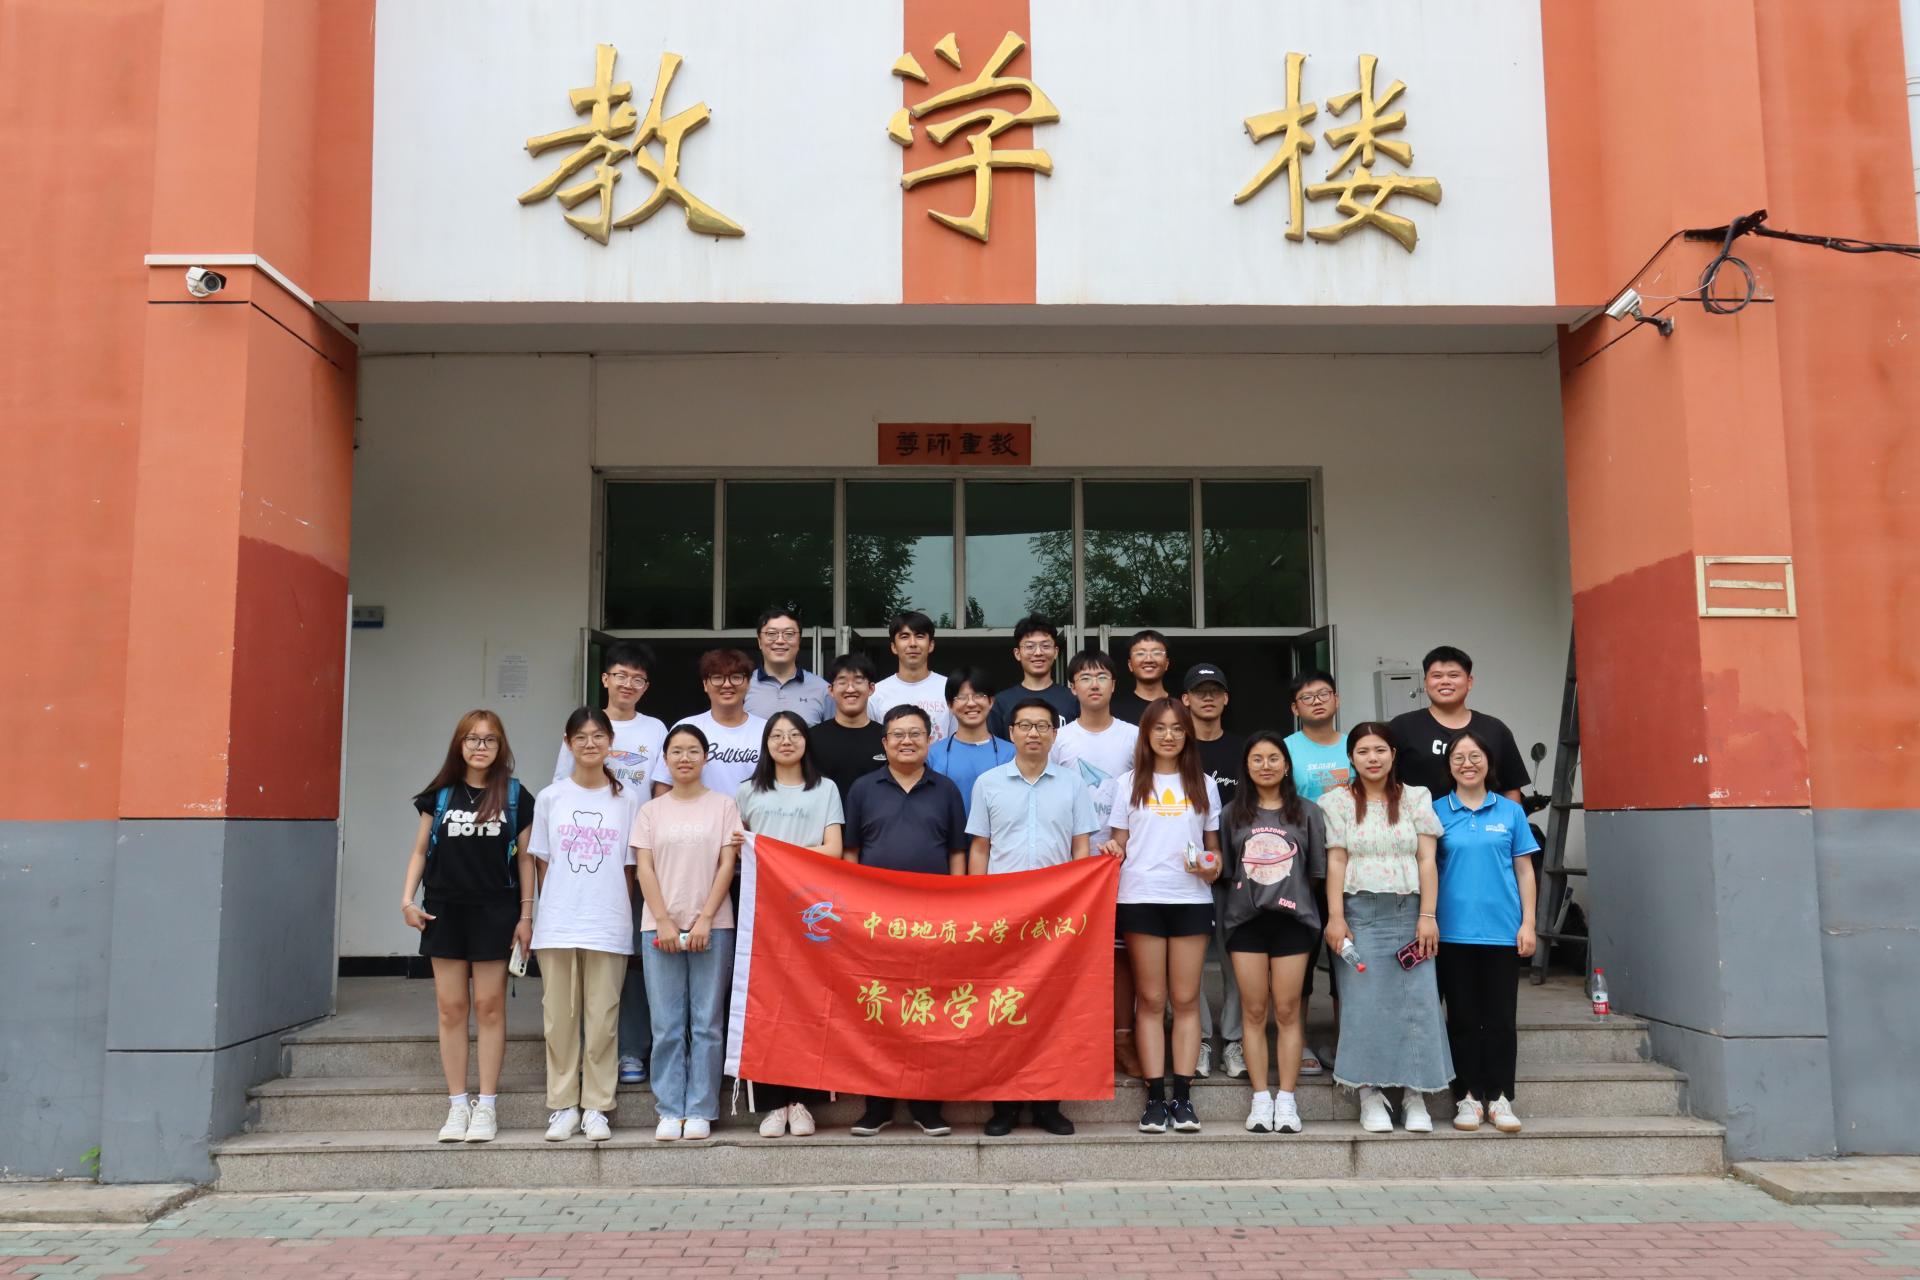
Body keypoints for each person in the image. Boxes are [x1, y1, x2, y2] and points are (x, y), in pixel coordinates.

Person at [965, 695, 1100, 1137]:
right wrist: (977, 907)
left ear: (1054, 733)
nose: (1034, 733)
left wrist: (1080, 906)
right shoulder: (987, 783)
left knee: (1050, 1011)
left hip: (1056, 917)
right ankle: (1003, 1105)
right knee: (1001, 1009)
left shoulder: (1072, 785)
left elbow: (1082, 848)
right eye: (1025, 725)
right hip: (1002, 915)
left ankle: (1047, 1103)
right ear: (1011, 733)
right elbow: (980, 848)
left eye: (1043, 726)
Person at [400, 710, 534, 1144]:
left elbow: (526, 859)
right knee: (451, 1008)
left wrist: (526, 916)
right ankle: (458, 1104)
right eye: (472, 739)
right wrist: (407, 900)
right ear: (459, 745)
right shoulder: (439, 795)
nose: (480, 747)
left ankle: (487, 1105)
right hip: (444, 911)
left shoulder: (515, 795)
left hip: (496, 912)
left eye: (489, 740)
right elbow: (420, 852)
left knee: (490, 1006)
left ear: (501, 747)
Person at [1318, 722, 1452, 1134]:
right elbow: (1336, 861)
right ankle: (1369, 1094)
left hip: (1410, 912)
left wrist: (1428, 915)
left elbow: (1426, 859)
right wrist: (1336, 917)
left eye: (1379, 750)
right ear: (1351, 758)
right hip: (1360, 913)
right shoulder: (1335, 802)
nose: (1372, 758)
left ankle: (1415, 1095)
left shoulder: (1416, 797)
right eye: (1363, 751)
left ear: (1393, 754)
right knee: (1363, 1005)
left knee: (1418, 1004)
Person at [842, 705, 968, 1137]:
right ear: (884, 742)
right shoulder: (863, 789)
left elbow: (957, 854)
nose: (906, 741)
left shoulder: (946, 789)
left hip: (933, 921)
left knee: (928, 1012)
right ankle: (876, 1105)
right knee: (878, 1012)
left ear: (930, 739)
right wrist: (855, 911)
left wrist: (956, 909)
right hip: (876, 921)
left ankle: (926, 1105)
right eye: (898, 734)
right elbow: (851, 854)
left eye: (915, 733)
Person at [1098, 698, 1222, 1135]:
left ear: (1188, 734)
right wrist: (1111, 849)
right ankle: (1154, 1099)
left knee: (1185, 1000)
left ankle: (1182, 1098)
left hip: (1191, 899)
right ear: (1146, 735)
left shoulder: (1204, 784)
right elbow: (1119, 842)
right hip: (1140, 898)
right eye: (1159, 728)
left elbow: (1214, 852)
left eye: (1177, 728)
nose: (1168, 736)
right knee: (1149, 1000)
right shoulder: (1127, 783)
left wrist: (1210, 865)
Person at [551, 641, 667, 1090]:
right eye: (620, 675)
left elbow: (661, 793)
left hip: (640, 861)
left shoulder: (655, 729)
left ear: (647, 686)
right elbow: (561, 796)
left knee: (630, 957)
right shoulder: (584, 726)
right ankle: (585, 1052)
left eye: (638, 678)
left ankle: (632, 1048)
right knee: (584, 957)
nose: (628, 684)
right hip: (588, 860)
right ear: (605, 679)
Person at [528, 707, 642, 1144]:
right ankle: (562, 1105)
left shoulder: (626, 800)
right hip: (558, 923)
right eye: (581, 737)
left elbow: (629, 868)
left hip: (607, 921)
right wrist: (552, 909)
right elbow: (542, 863)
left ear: (610, 742)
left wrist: (616, 910)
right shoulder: (550, 797)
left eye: (598, 736)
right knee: (558, 1019)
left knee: (603, 1020)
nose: (590, 743)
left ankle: (597, 1105)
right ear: (568, 742)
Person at [734, 712, 845, 1138]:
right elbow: (738, 848)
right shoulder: (748, 791)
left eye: (794, 734)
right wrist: (770, 852)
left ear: (806, 742)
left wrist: (778, 853)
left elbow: (834, 849)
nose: (786, 741)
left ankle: (803, 1102)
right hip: (762, 910)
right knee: (765, 1003)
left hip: (813, 911)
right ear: (765, 743)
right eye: (777, 735)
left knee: (810, 1001)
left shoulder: (826, 788)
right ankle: (772, 1104)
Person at [631, 723, 741, 1142]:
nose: (685, 758)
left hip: (714, 925)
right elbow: (644, 868)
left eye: (693, 750)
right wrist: (662, 919)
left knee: (707, 1022)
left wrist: (705, 918)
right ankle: (669, 1108)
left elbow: (727, 865)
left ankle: (700, 1108)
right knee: (667, 1023)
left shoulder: (724, 806)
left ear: (705, 757)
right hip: (658, 927)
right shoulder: (650, 811)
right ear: (665, 759)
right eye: (676, 751)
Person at [1435, 727, 1539, 1134]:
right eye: (1459, 757)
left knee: (1500, 1019)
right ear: (1449, 766)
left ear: (1488, 763)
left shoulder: (1510, 812)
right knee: (1461, 1018)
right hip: (1451, 934)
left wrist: (1528, 923)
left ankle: (1500, 1098)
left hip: (1502, 932)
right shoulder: (1436, 812)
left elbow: (1524, 870)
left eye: (1475, 756)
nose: (1468, 764)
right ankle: (1467, 1097)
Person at [1220, 733, 1326, 1135]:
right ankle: (1260, 1099)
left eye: (1273, 758)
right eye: (1257, 759)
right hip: (1246, 922)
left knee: (1286, 1011)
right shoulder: (1232, 814)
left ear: (1286, 765)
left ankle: (1287, 1099)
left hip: (1293, 924)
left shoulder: (1308, 813)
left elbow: (1315, 873)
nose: (1265, 765)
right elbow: (1227, 870)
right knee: (1253, 1011)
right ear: (1246, 767)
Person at [1049, 649, 1143, 1076]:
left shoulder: (1133, 736)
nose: (1093, 684)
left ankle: (1123, 1038)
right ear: (1072, 688)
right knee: (1072, 955)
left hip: (1124, 862)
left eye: (1101, 676)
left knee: (1121, 956)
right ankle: (1074, 1037)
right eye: (1084, 678)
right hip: (1072, 866)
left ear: (1114, 685)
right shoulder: (1060, 739)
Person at [1282, 668, 1347, 1079]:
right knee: (1299, 958)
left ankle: (1347, 1042)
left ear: (1337, 699)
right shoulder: (1286, 749)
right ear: (1295, 708)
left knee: (1346, 958)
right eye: (1308, 697)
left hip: (1351, 868)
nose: (1317, 701)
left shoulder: (1356, 745)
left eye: (1324, 694)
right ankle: (1300, 1042)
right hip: (1302, 869)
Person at [1183, 662, 1245, 1080]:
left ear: (1225, 698)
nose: (1207, 697)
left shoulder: (1243, 749)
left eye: (1215, 691)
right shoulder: (1175, 748)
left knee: (1235, 960)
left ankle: (1234, 1039)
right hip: (1184, 875)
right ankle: (1201, 1037)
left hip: (1237, 872)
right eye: (1199, 691)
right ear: (1185, 699)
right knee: (1186, 965)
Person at [1388, 646, 1530, 803]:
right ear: (1426, 683)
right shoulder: (1402, 727)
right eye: (1437, 676)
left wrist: (1514, 819)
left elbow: (1511, 789)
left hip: (1484, 818)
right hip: (1418, 819)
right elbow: (1383, 783)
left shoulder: (1495, 729)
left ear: (1469, 682)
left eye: (1453, 675)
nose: (1445, 681)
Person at [653, 647, 765, 798]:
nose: (727, 684)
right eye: (718, 677)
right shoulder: (686, 729)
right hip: (695, 813)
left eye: (736, 677)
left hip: (754, 814)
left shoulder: (767, 730)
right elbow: (664, 785)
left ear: (748, 683)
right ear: (705, 684)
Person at [928, 667, 1014, 820]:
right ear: (950, 705)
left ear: (991, 701)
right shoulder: (933, 754)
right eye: (961, 697)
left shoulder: (1011, 753)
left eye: (979, 696)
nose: (971, 703)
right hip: (947, 834)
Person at [809, 652, 887, 804]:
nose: (850, 689)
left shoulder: (887, 738)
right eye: (842, 682)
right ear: (831, 690)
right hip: (825, 818)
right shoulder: (812, 738)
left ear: (871, 688)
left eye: (858, 681)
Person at [867, 610, 955, 742]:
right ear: (893, 647)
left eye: (919, 636)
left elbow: (956, 741)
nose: (912, 643)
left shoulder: (950, 688)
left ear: (931, 645)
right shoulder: (875, 694)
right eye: (904, 637)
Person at [987, 614, 1078, 739]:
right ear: (1017, 653)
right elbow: (995, 747)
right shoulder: (1001, 703)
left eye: (1045, 646)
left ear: (1056, 652)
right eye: (1030, 646)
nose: (1038, 653)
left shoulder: (1073, 700)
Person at [744, 606, 832, 725]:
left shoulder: (822, 689)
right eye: (771, 633)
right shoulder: (743, 687)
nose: (780, 640)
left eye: (789, 634)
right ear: (759, 641)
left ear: (799, 641)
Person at [1110, 630, 1176, 725]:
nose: (1148, 659)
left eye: (1156, 653)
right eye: (1140, 653)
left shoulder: (1180, 707)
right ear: (1130, 665)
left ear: (1167, 663)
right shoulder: (1114, 711)